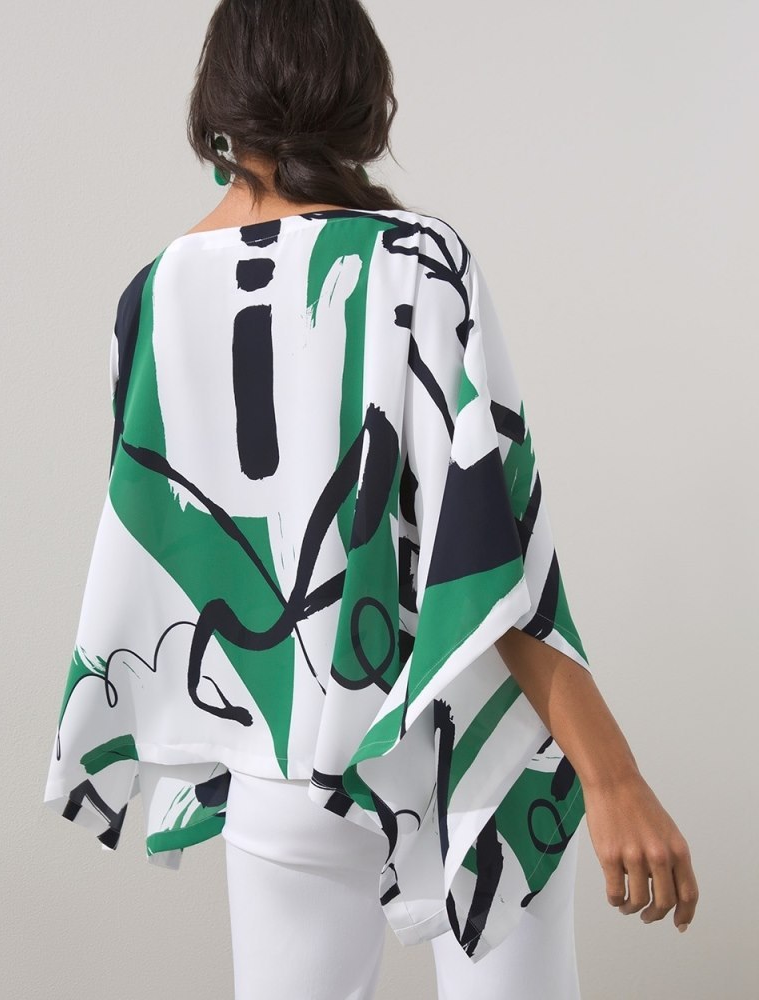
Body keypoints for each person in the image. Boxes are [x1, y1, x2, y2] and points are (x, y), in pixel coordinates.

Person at [42, 2, 699, 997]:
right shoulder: (418, 259)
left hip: (279, 769)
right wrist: (612, 776)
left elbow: (176, 548)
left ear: (219, 106)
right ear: (357, 94)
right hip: (453, 745)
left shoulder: (151, 297)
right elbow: (487, 547)